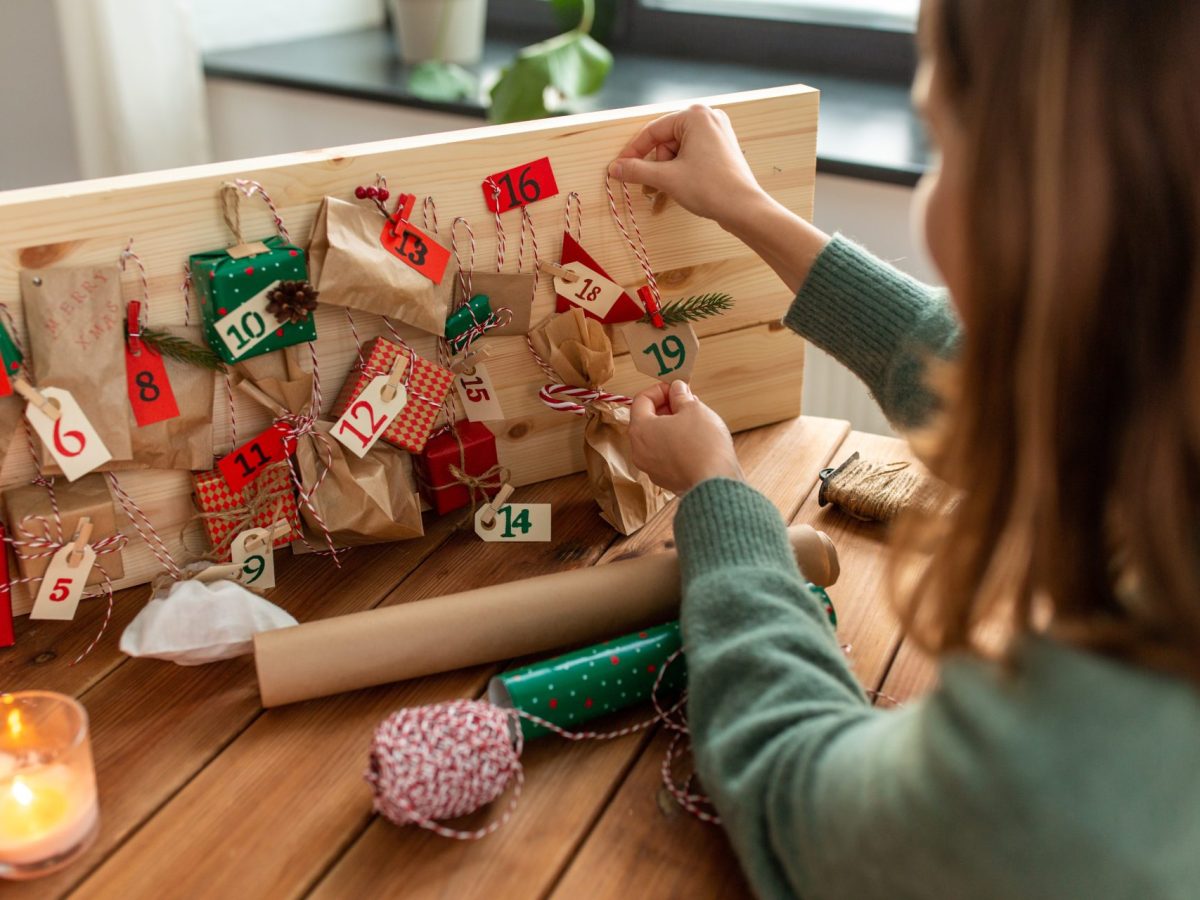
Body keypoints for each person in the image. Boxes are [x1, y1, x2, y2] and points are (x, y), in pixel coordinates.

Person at [615, 1, 1200, 897]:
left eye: (941, 142)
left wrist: (719, 495)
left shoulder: (1077, 762)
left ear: (1049, 198)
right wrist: (746, 210)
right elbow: (1020, 396)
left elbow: (802, 794)